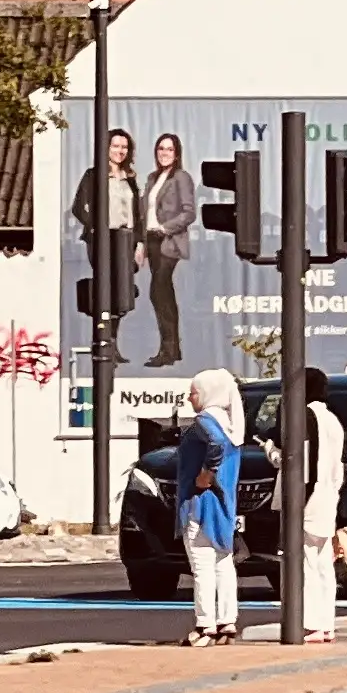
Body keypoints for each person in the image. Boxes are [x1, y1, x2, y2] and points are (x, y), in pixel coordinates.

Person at [179, 367, 244, 645]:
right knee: (223, 563)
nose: (190, 398)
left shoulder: (205, 421)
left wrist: (206, 473)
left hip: (200, 504)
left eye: (194, 393)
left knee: (202, 565)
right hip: (224, 503)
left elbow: (215, 445)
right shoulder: (231, 423)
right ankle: (227, 621)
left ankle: (204, 626)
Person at [292, 370, 347, 640]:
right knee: (324, 562)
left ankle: (311, 623)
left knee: (306, 562)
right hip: (328, 496)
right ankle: (326, 624)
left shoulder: (305, 417)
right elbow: (338, 468)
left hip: (308, 497)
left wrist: (271, 451)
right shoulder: (333, 420)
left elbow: (301, 460)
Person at [72, 129, 141, 340]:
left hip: (125, 239)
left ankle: (113, 342)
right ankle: (103, 340)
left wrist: (139, 243)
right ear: (106, 148)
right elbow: (78, 207)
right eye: (115, 146)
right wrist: (95, 226)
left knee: (122, 292)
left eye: (124, 147)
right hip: (103, 238)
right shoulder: (93, 175)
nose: (120, 151)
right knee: (106, 289)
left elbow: (137, 214)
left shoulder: (130, 178)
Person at [141, 133, 200, 369]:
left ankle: (168, 350)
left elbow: (189, 213)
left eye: (169, 149)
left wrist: (166, 228)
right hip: (151, 241)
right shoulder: (152, 178)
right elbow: (145, 212)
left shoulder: (181, 177)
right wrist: (142, 243)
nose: (164, 153)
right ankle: (172, 350)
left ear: (176, 154)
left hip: (168, 240)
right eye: (160, 149)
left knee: (159, 291)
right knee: (163, 294)